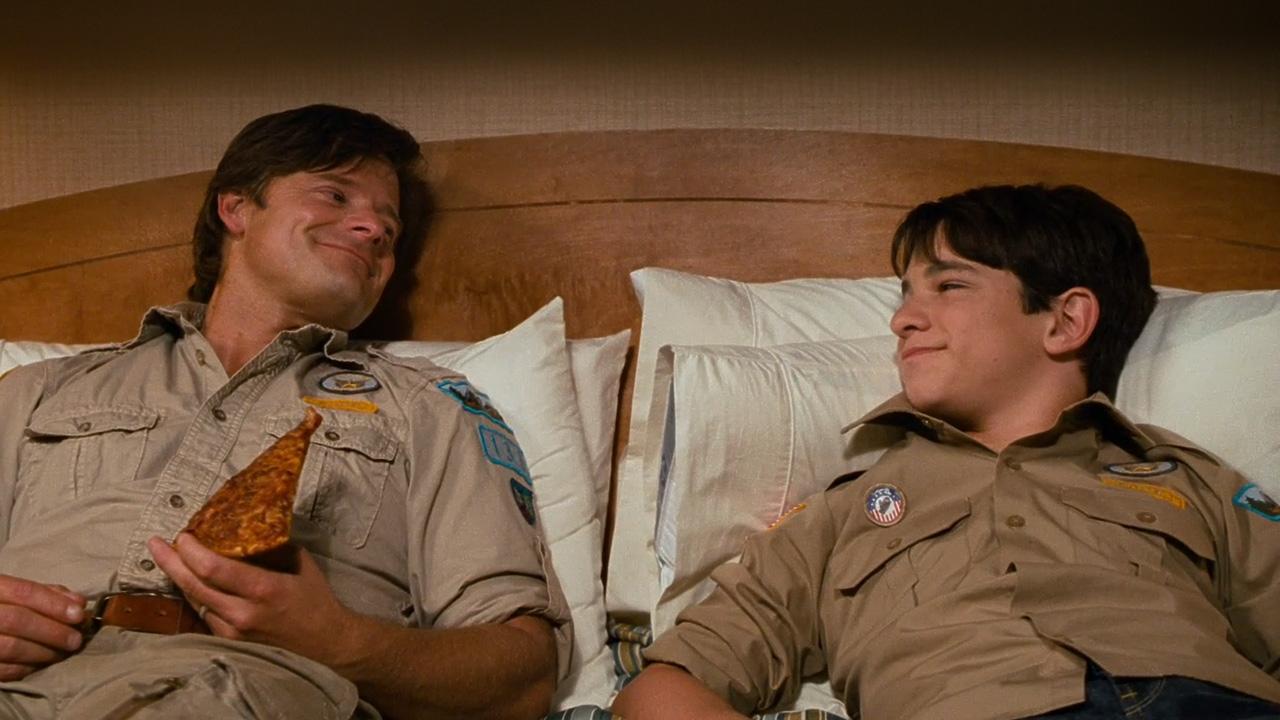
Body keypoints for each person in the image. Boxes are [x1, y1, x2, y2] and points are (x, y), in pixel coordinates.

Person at [612, 184, 1280, 719]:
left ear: (1065, 320)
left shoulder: (1191, 479)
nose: (902, 319)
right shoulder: (843, 514)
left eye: (949, 286)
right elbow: (661, 691)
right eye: (906, 294)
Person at [0, 104, 570, 719]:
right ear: (237, 208)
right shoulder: (37, 390)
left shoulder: (429, 408)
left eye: (390, 227)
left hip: (232, 692)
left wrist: (343, 645)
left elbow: (524, 677)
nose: (374, 230)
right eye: (335, 195)